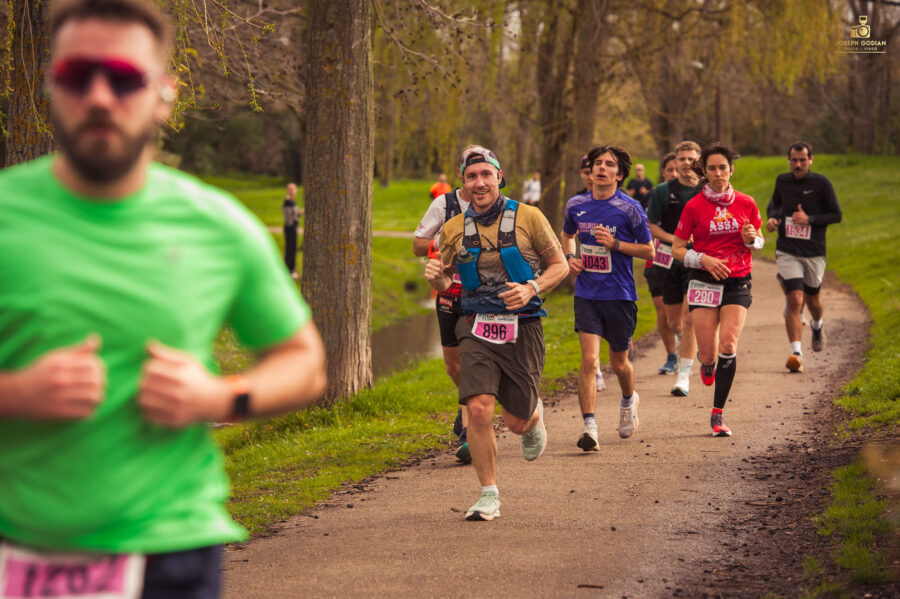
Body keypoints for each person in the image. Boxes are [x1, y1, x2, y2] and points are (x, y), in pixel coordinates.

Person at [0, 2, 327, 597]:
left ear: (164, 94)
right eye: (78, 76)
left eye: (124, 78)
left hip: (171, 555)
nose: (100, 97)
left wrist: (220, 394)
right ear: (51, 86)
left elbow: (303, 363)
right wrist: (17, 392)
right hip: (14, 547)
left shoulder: (217, 225)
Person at [424, 147, 568, 521]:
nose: (479, 183)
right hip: (475, 324)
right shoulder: (452, 230)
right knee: (478, 408)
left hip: (523, 324)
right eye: (471, 177)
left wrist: (532, 288)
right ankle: (488, 494)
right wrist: (438, 278)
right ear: (463, 183)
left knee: (516, 421)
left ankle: (532, 416)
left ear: (500, 177)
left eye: (486, 174)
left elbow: (560, 267)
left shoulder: (529, 217)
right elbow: (447, 281)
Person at [561, 145, 655, 451]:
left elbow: (649, 251)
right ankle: (590, 427)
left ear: (620, 173)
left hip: (620, 295)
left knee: (619, 364)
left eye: (608, 164)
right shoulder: (576, 204)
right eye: (596, 164)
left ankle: (629, 399)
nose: (600, 168)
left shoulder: (630, 208)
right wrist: (570, 258)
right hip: (587, 293)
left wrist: (615, 244)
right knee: (589, 361)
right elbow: (568, 234)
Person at [671, 144, 764, 437]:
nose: (717, 173)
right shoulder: (694, 206)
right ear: (704, 172)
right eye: (711, 168)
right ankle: (706, 364)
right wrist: (703, 259)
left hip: (737, 279)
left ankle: (717, 414)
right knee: (708, 351)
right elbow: (676, 249)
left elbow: (759, 240)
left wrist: (752, 239)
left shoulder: (747, 203)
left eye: (722, 167)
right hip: (703, 279)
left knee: (728, 344)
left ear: (731, 170)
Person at [413, 146, 478, 463]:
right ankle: (468, 403)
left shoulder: (495, 204)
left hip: (481, 294)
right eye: (470, 169)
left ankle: (469, 433)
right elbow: (417, 246)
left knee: (473, 358)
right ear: (460, 173)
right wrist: (444, 238)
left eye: (483, 170)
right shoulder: (445, 203)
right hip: (447, 290)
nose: (477, 179)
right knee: (453, 365)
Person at [766, 141, 842, 373]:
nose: (798, 164)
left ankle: (817, 325)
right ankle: (796, 353)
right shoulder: (783, 180)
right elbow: (776, 205)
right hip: (788, 249)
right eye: (794, 160)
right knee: (795, 299)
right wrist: (773, 218)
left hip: (814, 251)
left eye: (802, 160)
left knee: (813, 301)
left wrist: (809, 220)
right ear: (788, 160)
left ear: (811, 160)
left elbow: (836, 215)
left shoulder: (821, 183)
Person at [646, 141, 703, 394]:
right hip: (668, 260)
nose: (686, 163)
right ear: (675, 162)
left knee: (691, 317)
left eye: (691, 158)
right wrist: (676, 239)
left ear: (698, 160)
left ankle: (684, 375)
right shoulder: (662, 191)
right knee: (674, 322)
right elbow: (651, 226)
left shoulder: (706, 190)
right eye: (681, 159)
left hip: (697, 261)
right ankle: (683, 347)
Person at [642, 153, 678, 375]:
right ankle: (672, 355)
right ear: (663, 172)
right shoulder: (653, 195)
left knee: (681, 317)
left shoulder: (691, 194)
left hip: (685, 259)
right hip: (657, 259)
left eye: (677, 169)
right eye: (669, 170)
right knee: (662, 311)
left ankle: (688, 342)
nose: (673, 174)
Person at [283, 182, 300, 279]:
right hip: (290, 228)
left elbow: (294, 214)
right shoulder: (288, 202)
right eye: (290, 189)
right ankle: (290, 270)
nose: (292, 191)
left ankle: (290, 269)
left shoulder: (292, 201)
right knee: (290, 249)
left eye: (293, 189)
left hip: (292, 227)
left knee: (292, 249)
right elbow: (289, 217)